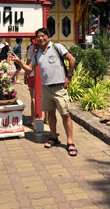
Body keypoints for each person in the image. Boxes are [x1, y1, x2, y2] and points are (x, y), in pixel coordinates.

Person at [11, 28, 77, 157]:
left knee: (65, 115)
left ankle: (70, 142)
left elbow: (72, 60)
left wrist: (68, 77)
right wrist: (19, 62)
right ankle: (53, 137)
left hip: (59, 87)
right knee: (51, 114)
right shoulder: (38, 53)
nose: (40, 38)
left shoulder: (57, 47)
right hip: (45, 88)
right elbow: (29, 69)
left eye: (43, 36)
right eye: (38, 37)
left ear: (48, 37)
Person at [24, 39, 48, 126]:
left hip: (32, 74)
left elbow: (28, 62)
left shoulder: (31, 48)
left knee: (33, 98)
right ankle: (47, 119)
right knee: (44, 97)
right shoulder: (45, 47)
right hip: (43, 74)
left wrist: (25, 75)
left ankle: (33, 119)